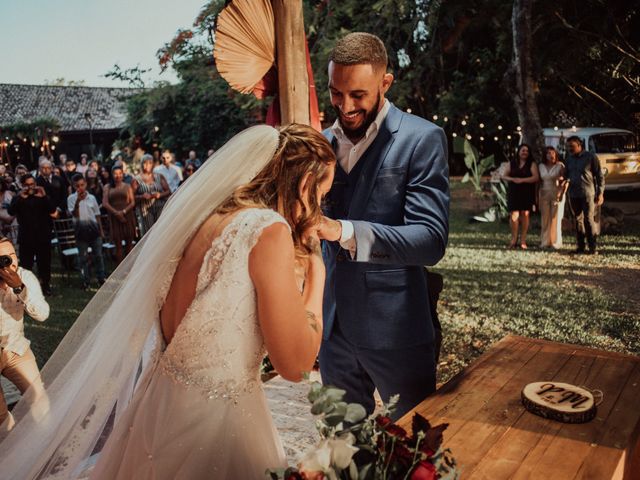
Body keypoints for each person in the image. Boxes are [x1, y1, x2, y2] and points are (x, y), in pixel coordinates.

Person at [0, 124, 333, 479]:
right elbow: (296, 366)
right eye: (321, 194)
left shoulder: (204, 218)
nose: (319, 207)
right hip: (217, 426)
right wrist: (317, 273)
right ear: (303, 186)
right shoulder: (267, 230)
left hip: (159, 408)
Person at [317, 32, 449, 420]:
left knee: (414, 450)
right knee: (342, 450)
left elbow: (430, 240)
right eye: (336, 94)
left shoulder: (421, 139)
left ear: (385, 83)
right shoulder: (320, 144)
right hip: (333, 331)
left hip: (397, 331)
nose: (346, 106)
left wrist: (343, 231)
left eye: (358, 94)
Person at [0, 236, 50, 431]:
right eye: (2, 258)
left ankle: (48, 443)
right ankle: (11, 449)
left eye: (12, 255)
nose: (9, 262)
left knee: (39, 398)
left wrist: (19, 288)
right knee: (1, 416)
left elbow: (43, 314)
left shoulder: (25, 276)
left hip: (15, 347)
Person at [7, 174, 56, 296]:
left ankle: (45, 286)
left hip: (43, 236)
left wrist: (44, 196)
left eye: (32, 184)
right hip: (26, 237)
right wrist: (20, 198)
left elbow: (52, 210)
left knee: (44, 263)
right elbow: (11, 211)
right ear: (22, 186)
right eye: (27, 185)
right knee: (26, 265)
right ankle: (27, 288)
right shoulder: (18, 198)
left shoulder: (42, 196)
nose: (30, 187)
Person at [564, 135, 604, 254]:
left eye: (572, 146)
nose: (570, 149)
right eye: (568, 147)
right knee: (577, 220)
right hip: (573, 193)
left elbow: (599, 175)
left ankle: (592, 247)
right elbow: (566, 175)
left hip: (588, 193)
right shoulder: (569, 159)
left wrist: (600, 192)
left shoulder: (590, 157)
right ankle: (580, 247)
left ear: (579, 145)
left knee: (588, 219)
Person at [68, 175, 106, 289]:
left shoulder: (92, 198)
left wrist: (101, 230)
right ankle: (86, 281)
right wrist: (78, 202)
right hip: (81, 232)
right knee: (83, 258)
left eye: (82, 185)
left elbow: (97, 215)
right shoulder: (71, 198)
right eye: (77, 186)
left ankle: (101, 278)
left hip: (94, 231)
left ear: (85, 184)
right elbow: (75, 215)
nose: (80, 188)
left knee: (98, 255)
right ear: (74, 186)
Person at [502, 143, 540, 249]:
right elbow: (504, 176)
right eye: (523, 150)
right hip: (514, 192)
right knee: (514, 215)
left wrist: (522, 180)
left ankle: (523, 240)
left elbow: (536, 177)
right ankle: (514, 239)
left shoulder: (531, 164)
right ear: (518, 152)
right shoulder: (512, 163)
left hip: (527, 192)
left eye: (527, 151)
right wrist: (513, 179)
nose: (525, 152)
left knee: (525, 215)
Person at [102, 166, 136, 263]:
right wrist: (117, 214)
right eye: (115, 174)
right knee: (118, 245)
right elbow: (105, 203)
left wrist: (123, 212)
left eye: (120, 173)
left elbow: (132, 202)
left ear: (123, 174)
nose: (118, 176)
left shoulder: (127, 186)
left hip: (127, 216)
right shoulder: (107, 187)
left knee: (129, 244)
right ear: (112, 175)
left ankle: (130, 268)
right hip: (114, 218)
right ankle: (120, 269)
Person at [131, 154, 171, 236]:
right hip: (145, 209)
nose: (147, 165)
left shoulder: (159, 176)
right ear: (142, 164)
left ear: (153, 164)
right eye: (145, 163)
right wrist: (142, 196)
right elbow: (131, 197)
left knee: (161, 231)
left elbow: (168, 191)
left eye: (150, 163)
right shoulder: (137, 179)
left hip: (160, 206)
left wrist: (160, 194)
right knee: (149, 233)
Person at [539, 146, 567, 249]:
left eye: (552, 153)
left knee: (556, 218)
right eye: (548, 153)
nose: (550, 155)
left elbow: (566, 180)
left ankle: (556, 242)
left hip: (557, 192)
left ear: (555, 154)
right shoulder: (541, 166)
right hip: (544, 193)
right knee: (545, 219)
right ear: (545, 155)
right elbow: (539, 182)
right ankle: (545, 241)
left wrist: (561, 189)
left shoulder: (560, 166)